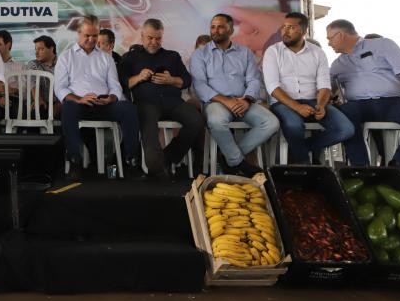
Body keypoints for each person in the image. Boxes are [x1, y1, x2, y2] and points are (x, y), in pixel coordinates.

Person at [190, 14, 278, 177]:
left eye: (220, 26)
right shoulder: (200, 55)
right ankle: (237, 162)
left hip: (242, 101)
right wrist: (226, 101)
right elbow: (200, 85)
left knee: (271, 123)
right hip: (216, 102)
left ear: (230, 29)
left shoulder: (244, 53)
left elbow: (253, 79)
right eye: (213, 27)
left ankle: (229, 158)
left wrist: (246, 99)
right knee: (216, 121)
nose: (215, 30)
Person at [263, 13, 354, 164]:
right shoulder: (273, 52)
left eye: (291, 28)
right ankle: (306, 164)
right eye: (284, 27)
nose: (285, 32)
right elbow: (272, 87)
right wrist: (297, 107)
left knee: (346, 129)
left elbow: (324, 84)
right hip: (283, 103)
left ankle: (299, 150)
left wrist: (322, 105)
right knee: (293, 125)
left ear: (303, 31)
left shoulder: (317, 53)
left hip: (313, 102)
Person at [55, 15, 140, 180]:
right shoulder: (66, 57)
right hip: (79, 105)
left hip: (104, 104)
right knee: (68, 108)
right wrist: (79, 99)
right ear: (79, 34)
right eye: (87, 35)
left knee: (128, 109)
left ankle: (131, 161)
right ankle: (75, 161)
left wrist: (112, 98)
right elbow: (60, 88)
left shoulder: (105, 58)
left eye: (95, 35)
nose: (91, 39)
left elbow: (115, 85)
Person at [119, 19, 204, 180]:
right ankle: (156, 169)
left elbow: (186, 80)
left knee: (197, 120)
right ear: (142, 36)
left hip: (173, 103)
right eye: (150, 38)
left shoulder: (172, 56)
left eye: (158, 38)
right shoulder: (130, 58)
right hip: (146, 103)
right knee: (148, 128)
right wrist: (138, 77)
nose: (154, 42)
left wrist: (171, 80)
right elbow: (122, 84)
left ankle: (167, 157)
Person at [327, 19, 400, 167]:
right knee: (343, 117)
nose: (329, 43)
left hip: (393, 102)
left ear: (341, 35)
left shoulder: (382, 44)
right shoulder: (337, 64)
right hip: (358, 106)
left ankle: (399, 164)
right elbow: (325, 89)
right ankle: (360, 168)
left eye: (330, 38)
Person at [25, 35, 59, 117]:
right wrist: (38, 100)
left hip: (61, 102)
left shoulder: (63, 63)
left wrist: (60, 104)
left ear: (51, 48)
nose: (36, 53)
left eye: (41, 49)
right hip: (42, 100)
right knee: (36, 111)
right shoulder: (33, 64)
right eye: (36, 49)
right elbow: (33, 82)